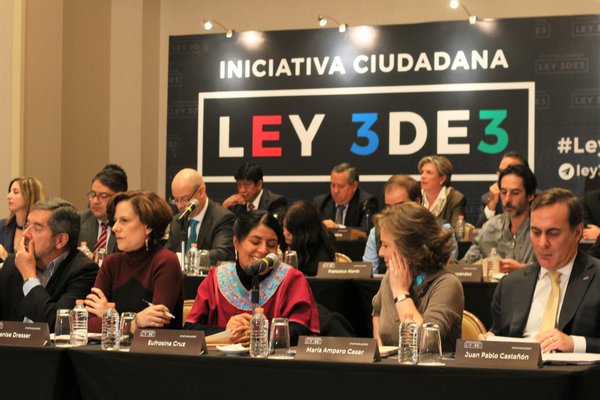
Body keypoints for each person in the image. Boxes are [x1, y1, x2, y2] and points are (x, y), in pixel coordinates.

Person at [484, 188, 600, 353]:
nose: (542, 243)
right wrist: (488, 342)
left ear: (577, 233)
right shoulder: (510, 284)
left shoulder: (596, 278)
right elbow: (498, 335)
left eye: (553, 233)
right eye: (536, 232)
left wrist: (575, 344)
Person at [184, 211, 320, 345]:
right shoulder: (215, 279)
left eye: (271, 245)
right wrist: (228, 331)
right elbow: (190, 329)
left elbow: (301, 330)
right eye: (255, 242)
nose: (263, 250)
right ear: (236, 242)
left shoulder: (291, 278)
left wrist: (259, 333)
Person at [85, 191, 183, 331]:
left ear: (148, 226)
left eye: (124, 220)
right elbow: (86, 324)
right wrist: (135, 322)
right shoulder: (111, 263)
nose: (115, 228)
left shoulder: (165, 261)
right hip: (111, 345)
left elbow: (156, 327)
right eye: (115, 220)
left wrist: (109, 317)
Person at [372, 203, 464, 352]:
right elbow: (377, 312)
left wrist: (401, 293)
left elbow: (424, 343)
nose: (381, 253)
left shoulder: (448, 284)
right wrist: (381, 352)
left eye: (386, 245)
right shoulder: (391, 277)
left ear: (410, 249)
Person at [0, 198, 98, 331]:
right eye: (27, 225)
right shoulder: (14, 264)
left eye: (37, 228)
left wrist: (29, 278)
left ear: (60, 240)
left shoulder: (84, 271)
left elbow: (57, 324)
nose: (25, 233)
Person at [462, 165, 537, 272]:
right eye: (503, 192)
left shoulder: (541, 229)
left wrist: (522, 270)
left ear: (530, 196)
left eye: (515, 193)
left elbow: (553, 271)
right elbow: (465, 267)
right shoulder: (491, 226)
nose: (507, 199)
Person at [165, 168, 235, 265]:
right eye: (176, 200)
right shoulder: (177, 221)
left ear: (201, 192)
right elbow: (167, 255)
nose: (179, 206)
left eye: (185, 199)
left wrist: (187, 260)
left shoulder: (223, 218)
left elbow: (222, 254)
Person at [313, 163, 379, 232]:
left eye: (341, 186)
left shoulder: (367, 202)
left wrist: (338, 228)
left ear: (354, 186)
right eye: (333, 185)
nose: (336, 191)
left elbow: (367, 231)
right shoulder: (320, 203)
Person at [79, 164, 128, 257]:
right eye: (93, 194)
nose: (95, 201)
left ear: (119, 198)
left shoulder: (128, 226)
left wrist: (95, 261)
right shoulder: (79, 222)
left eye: (103, 196)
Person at [282, 200, 336, 276]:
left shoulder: (321, 258)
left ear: (304, 233)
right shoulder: (284, 240)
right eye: (284, 227)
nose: (285, 233)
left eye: (291, 231)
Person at [476, 152, 529, 227]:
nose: (502, 176)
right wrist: (491, 205)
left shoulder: (538, 199)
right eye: (500, 172)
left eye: (508, 172)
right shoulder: (487, 198)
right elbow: (480, 231)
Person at [0, 177, 45, 261]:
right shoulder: (2, 226)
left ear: (30, 196)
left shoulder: (41, 231)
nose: (8, 196)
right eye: (9, 192)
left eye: (15, 192)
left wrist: (6, 256)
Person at [222, 162, 287, 219]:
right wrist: (224, 207)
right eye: (239, 185)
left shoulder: (276, 202)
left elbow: (274, 227)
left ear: (259, 184)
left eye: (247, 185)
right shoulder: (234, 205)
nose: (242, 190)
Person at [418, 155, 466, 230]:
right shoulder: (415, 195)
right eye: (422, 172)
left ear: (442, 179)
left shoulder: (456, 199)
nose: (423, 176)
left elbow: (455, 230)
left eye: (429, 172)